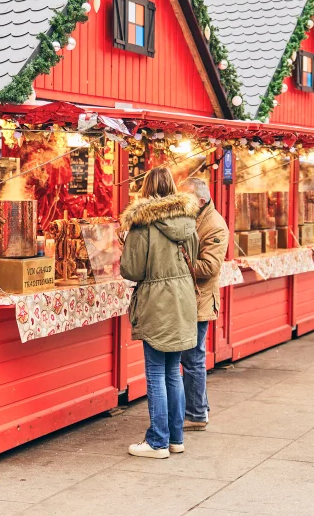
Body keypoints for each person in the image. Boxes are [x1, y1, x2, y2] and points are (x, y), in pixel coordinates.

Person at [120, 166, 200, 459]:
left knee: (155, 372)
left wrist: (124, 246)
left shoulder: (142, 224)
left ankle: (157, 441)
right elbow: (195, 255)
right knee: (173, 372)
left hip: (156, 300)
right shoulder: (188, 220)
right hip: (182, 300)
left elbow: (132, 269)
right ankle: (175, 438)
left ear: (146, 190)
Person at [178, 177, 229, 431]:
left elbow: (209, 267)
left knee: (193, 358)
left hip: (199, 300)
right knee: (191, 357)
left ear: (200, 200)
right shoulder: (194, 216)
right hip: (188, 297)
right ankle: (198, 409)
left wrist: (177, 263)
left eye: (185, 198)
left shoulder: (215, 225)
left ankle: (196, 414)